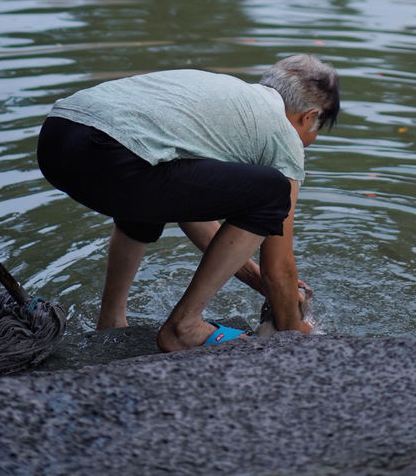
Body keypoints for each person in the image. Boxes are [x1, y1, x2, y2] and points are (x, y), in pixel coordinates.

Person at [37, 53, 339, 352]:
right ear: (309, 117)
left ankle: (111, 321)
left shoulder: (227, 102)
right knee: (273, 192)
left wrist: (255, 280)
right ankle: (185, 326)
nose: (310, 141)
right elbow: (279, 268)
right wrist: (296, 331)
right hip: (112, 153)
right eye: (316, 131)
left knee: (151, 176)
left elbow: (183, 203)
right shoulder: (284, 137)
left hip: (58, 138)